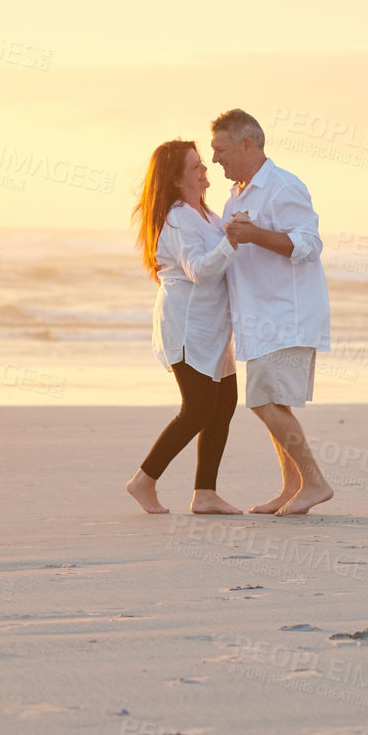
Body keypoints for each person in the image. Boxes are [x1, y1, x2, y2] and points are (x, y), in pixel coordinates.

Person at [212, 109, 334, 516]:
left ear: (247, 144)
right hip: (259, 320)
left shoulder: (283, 186)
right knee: (272, 402)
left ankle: (314, 482)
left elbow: (309, 244)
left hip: (287, 316)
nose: (215, 160)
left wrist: (254, 235)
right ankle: (292, 488)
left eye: (221, 149)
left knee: (264, 401)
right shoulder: (238, 195)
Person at [125, 139, 242, 515]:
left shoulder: (206, 214)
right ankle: (144, 481)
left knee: (224, 405)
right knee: (198, 408)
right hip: (188, 326)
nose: (204, 168)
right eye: (195, 166)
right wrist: (233, 241)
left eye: (201, 162)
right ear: (176, 180)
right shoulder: (178, 218)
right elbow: (200, 271)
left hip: (215, 328)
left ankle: (205, 493)